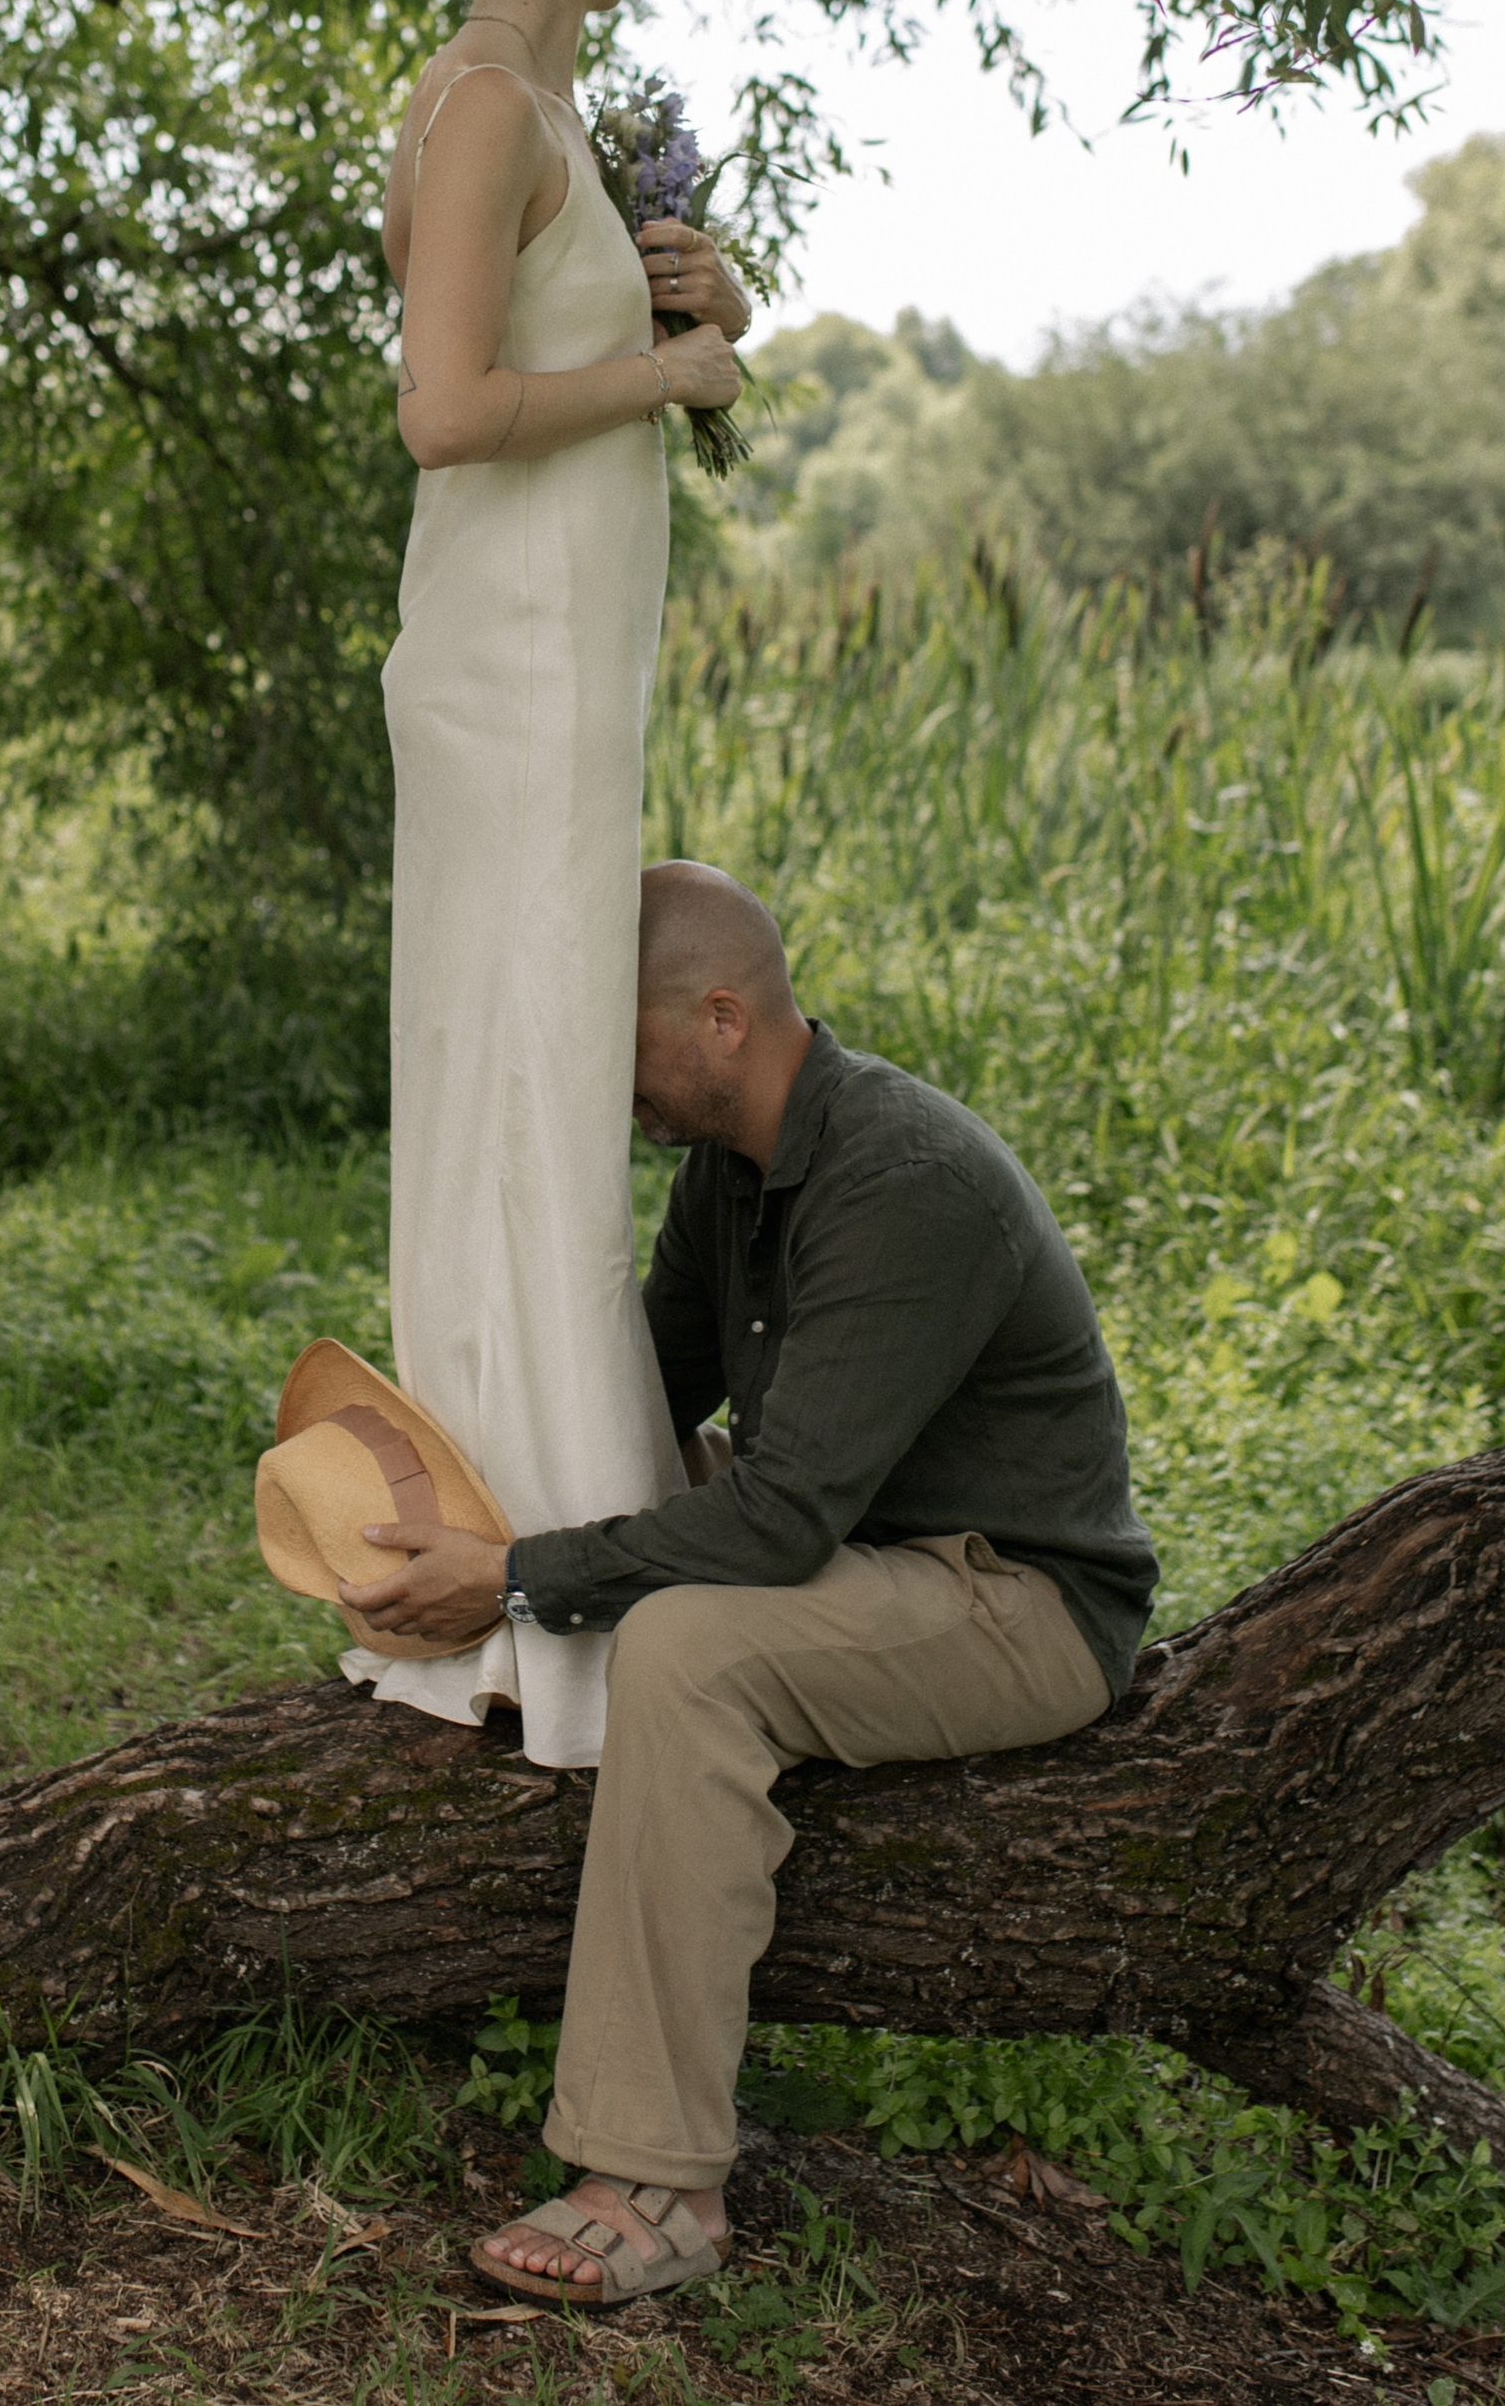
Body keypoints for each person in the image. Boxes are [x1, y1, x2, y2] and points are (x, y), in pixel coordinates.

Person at [338, 861, 1160, 2309]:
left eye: (626, 1048)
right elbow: (643, 1400)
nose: (614, 1091)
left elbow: (777, 1526)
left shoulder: (905, 1180)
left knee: (691, 1650)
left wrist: (521, 1577)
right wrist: (453, 1523)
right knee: (640, 1555)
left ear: (721, 1017)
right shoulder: (727, 1177)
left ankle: (660, 2180)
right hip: (864, 1546)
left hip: (1013, 1598)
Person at [357, 0, 753, 1773]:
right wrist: (658, 373)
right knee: (513, 1084)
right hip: (510, 673)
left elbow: (581, 357)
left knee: (538, 1084)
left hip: (566, 661)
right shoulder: (486, 107)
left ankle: (533, 1564)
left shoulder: (556, 123)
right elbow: (445, 410)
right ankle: (535, 1593)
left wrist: (701, 306)